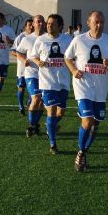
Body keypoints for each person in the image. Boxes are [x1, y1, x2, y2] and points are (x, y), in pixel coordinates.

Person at [64, 10, 108, 172]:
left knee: (96, 124)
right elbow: (67, 58)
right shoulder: (79, 40)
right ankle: (81, 153)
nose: (99, 24)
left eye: (102, 22)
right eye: (96, 21)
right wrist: (74, 70)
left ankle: (84, 149)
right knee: (87, 120)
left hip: (100, 90)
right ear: (88, 23)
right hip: (83, 87)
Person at [30, 14, 72, 154]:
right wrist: (38, 62)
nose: (48, 26)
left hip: (63, 82)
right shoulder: (41, 40)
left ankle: (50, 126)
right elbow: (33, 55)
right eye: (48, 23)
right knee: (52, 110)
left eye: (52, 24)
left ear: (60, 26)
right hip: (47, 82)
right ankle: (53, 144)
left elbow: (75, 56)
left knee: (61, 112)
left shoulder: (68, 39)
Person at [16, 15, 45, 136]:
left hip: (46, 75)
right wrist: (23, 60)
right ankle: (31, 125)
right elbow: (18, 52)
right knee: (36, 97)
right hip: (31, 73)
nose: (40, 23)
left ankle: (35, 124)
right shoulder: (27, 39)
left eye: (42, 21)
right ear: (33, 24)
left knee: (42, 101)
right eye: (37, 21)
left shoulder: (48, 38)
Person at [12, 18, 34, 115]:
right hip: (22, 68)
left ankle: (29, 103)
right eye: (29, 25)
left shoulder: (38, 37)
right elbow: (13, 51)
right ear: (25, 27)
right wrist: (23, 58)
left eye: (32, 24)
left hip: (34, 69)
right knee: (21, 88)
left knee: (32, 91)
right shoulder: (20, 37)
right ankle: (21, 106)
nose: (32, 26)